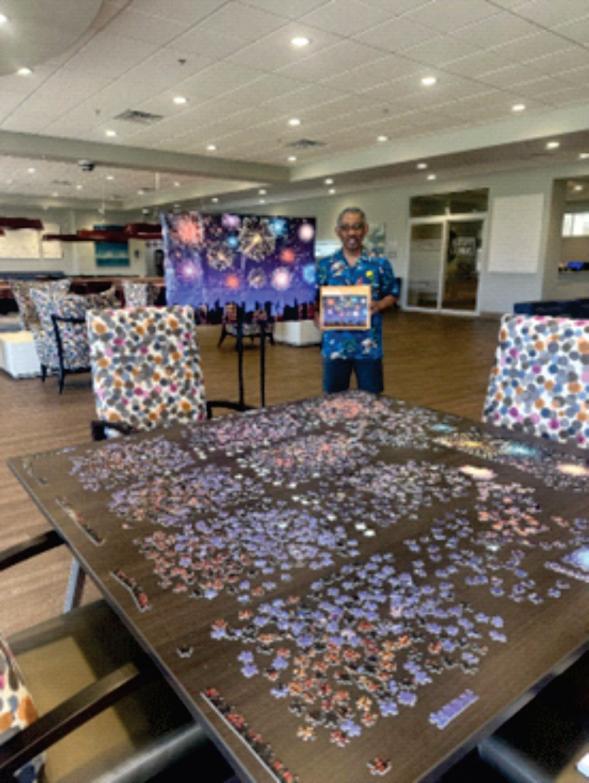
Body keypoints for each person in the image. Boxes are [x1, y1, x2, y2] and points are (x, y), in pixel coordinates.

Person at [317, 207, 397, 394]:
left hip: (368, 346)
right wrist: (316, 317)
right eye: (345, 228)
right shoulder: (325, 265)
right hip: (335, 344)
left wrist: (379, 305)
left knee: (371, 399)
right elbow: (313, 300)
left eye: (357, 227)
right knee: (333, 399)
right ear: (338, 231)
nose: (351, 233)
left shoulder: (380, 263)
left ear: (365, 229)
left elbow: (393, 294)